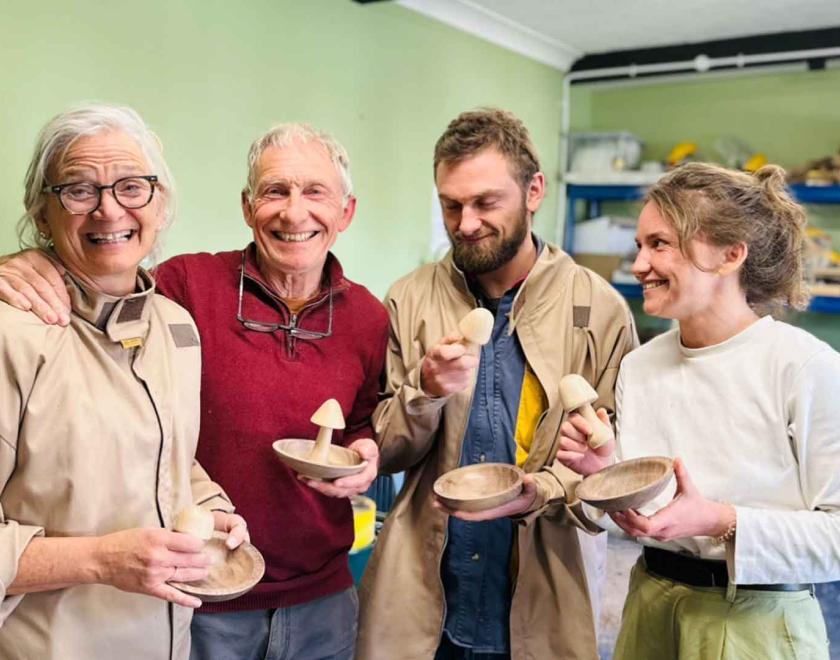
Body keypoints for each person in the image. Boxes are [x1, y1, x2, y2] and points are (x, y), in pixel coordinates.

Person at [0, 122, 388, 660]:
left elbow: (362, 419)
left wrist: (367, 450)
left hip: (320, 595)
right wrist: (17, 263)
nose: (294, 213)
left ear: (346, 212)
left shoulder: (369, 316)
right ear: (248, 207)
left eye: (315, 192)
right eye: (275, 190)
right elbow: (99, 267)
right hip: (201, 605)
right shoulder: (182, 293)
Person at [357, 108, 638, 660]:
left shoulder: (599, 309)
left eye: (486, 203)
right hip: (423, 597)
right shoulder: (408, 298)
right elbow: (385, 453)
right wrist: (426, 392)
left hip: (539, 597)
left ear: (534, 191)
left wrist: (541, 490)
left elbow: (613, 472)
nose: (465, 224)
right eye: (451, 205)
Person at [557, 162, 839, 659]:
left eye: (659, 244)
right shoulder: (640, 366)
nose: (640, 263)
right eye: (639, 245)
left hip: (759, 625)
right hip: (650, 608)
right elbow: (638, 517)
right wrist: (604, 477)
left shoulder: (805, 367)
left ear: (731, 255)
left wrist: (719, 520)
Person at [0, 103, 247, 660]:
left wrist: (212, 504)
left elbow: (169, 458)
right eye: (79, 190)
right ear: (43, 213)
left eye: (131, 186)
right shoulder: (12, 335)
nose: (109, 209)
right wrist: (101, 560)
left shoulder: (175, 326)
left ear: (159, 203)